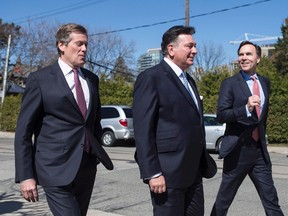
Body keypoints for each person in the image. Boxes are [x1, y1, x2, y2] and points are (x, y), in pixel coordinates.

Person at [14, 23, 113, 216]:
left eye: (86, 45)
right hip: (54, 168)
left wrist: (94, 153)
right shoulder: (40, 79)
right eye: (79, 44)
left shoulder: (92, 79)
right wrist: (26, 176)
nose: (84, 49)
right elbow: (24, 132)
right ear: (61, 45)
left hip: (86, 168)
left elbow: (94, 121)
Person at [133, 25, 217, 216]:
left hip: (193, 172)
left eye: (194, 46)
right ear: (171, 49)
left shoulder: (189, 81)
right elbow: (143, 129)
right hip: (167, 174)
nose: (194, 50)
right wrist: (152, 173)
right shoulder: (151, 78)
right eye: (189, 46)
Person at [211, 41, 284, 216]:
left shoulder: (265, 83)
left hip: (259, 152)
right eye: (241, 54)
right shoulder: (229, 83)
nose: (244, 58)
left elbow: (262, 118)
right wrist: (245, 108)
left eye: (248, 54)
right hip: (237, 151)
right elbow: (222, 115)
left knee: (271, 200)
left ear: (258, 58)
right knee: (223, 201)